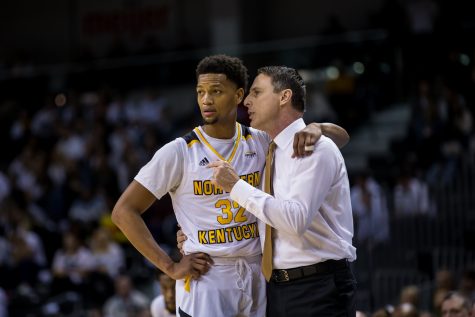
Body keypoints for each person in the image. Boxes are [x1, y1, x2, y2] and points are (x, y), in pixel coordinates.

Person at [111, 55, 349, 316]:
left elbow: (337, 137)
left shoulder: (260, 141)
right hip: (209, 275)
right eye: (200, 92)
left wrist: (317, 127)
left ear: (238, 96)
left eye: (216, 91)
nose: (206, 100)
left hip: (258, 274)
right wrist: (169, 267)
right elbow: (123, 212)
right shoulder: (178, 151)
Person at [210, 66, 357, 316]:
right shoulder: (269, 145)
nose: (247, 100)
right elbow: (341, 136)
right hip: (277, 288)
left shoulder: (315, 147)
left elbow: (294, 220)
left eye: (257, 92)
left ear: (284, 97)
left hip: (318, 286)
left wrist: (235, 186)